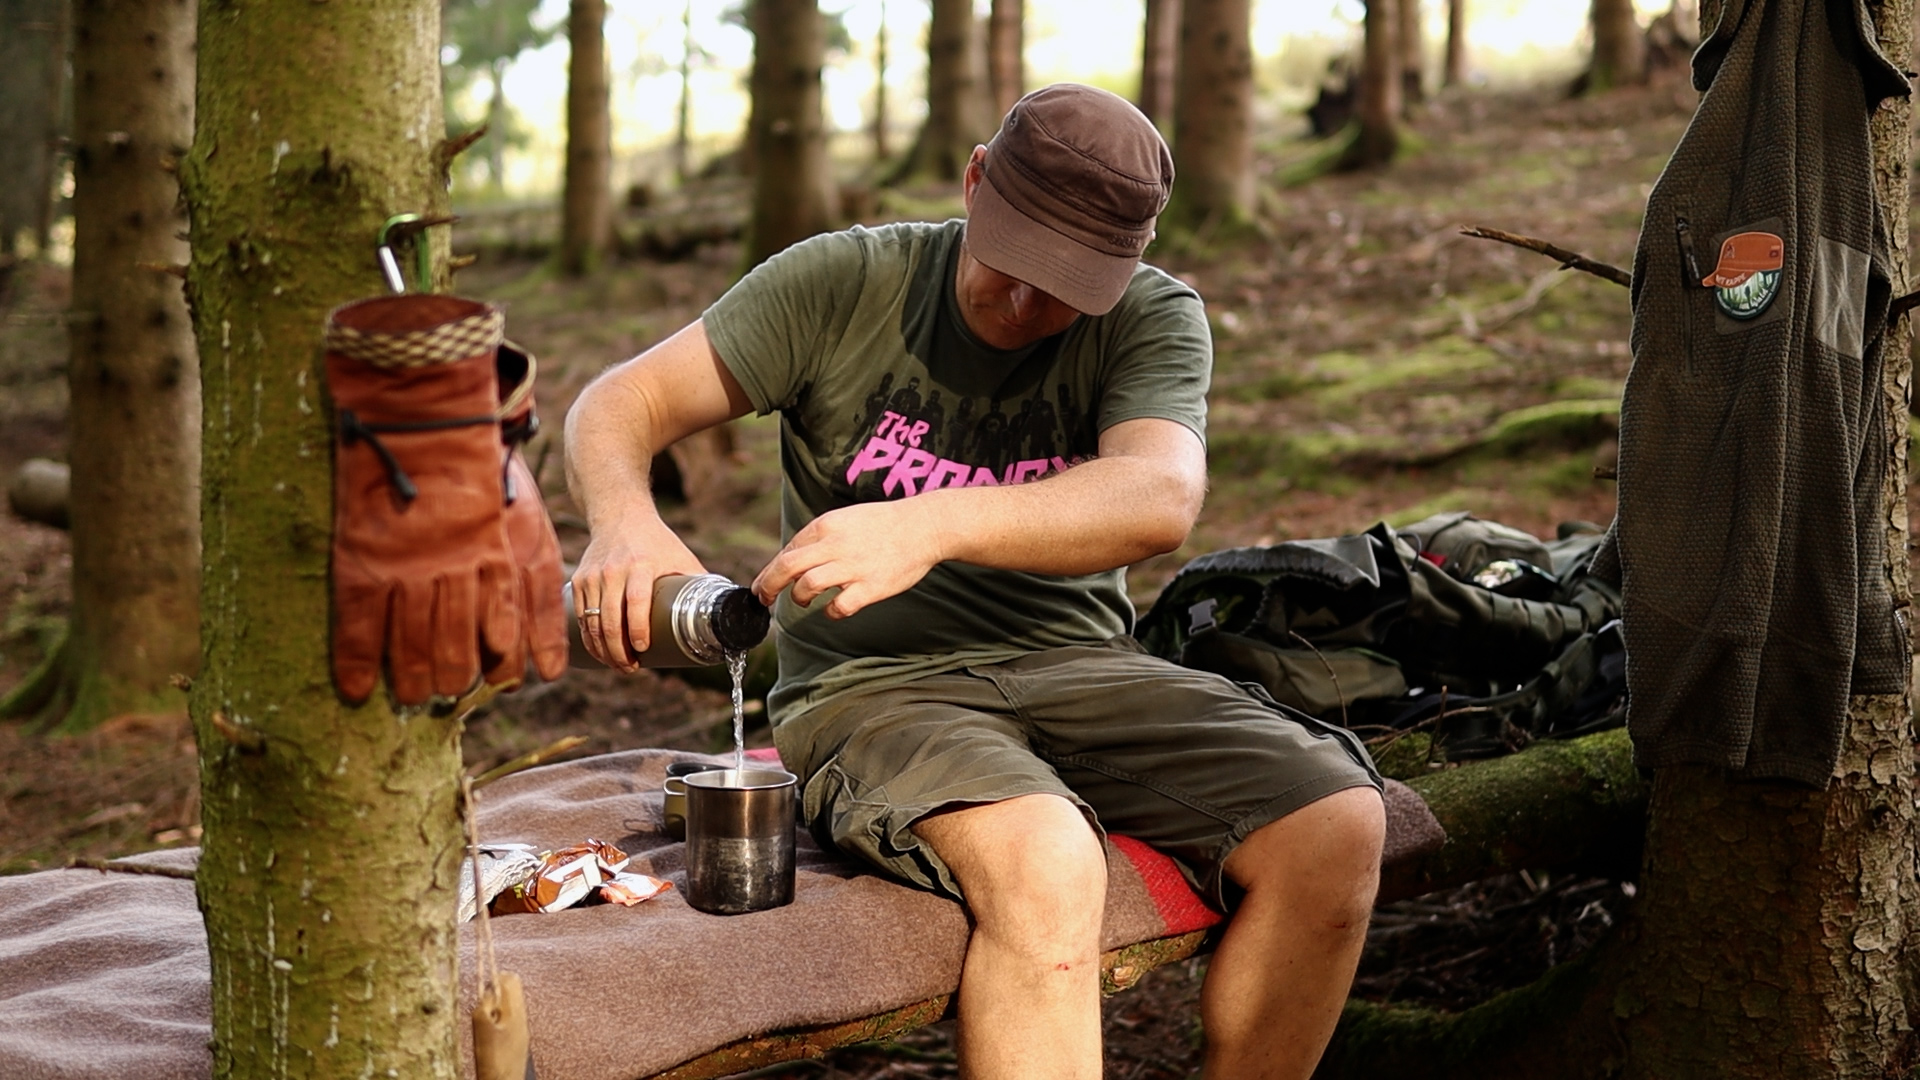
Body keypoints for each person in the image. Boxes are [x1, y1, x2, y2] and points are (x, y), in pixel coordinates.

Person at [565, 84, 1385, 1080]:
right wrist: (624, 521)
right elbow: (624, 401)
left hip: (1081, 668)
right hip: (874, 692)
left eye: (1071, 285)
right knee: (1046, 865)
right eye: (1017, 264)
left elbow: (1159, 494)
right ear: (973, 181)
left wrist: (933, 523)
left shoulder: (1152, 316)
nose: (1031, 306)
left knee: (1338, 826)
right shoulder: (843, 284)